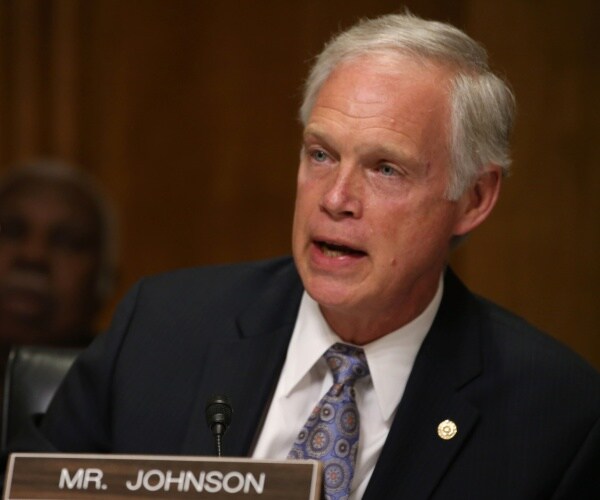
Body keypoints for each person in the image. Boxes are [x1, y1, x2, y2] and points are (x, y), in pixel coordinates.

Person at [6, 13, 600, 499]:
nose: (337, 199)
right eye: (320, 155)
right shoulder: (161, 329)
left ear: (473, 198)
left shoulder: (553, 416)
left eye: (385, 169)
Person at [0, 161, 117, 359]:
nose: (33, 255)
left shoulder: (137, 383)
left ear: (105, 281)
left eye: (68, 242)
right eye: (10, 232)